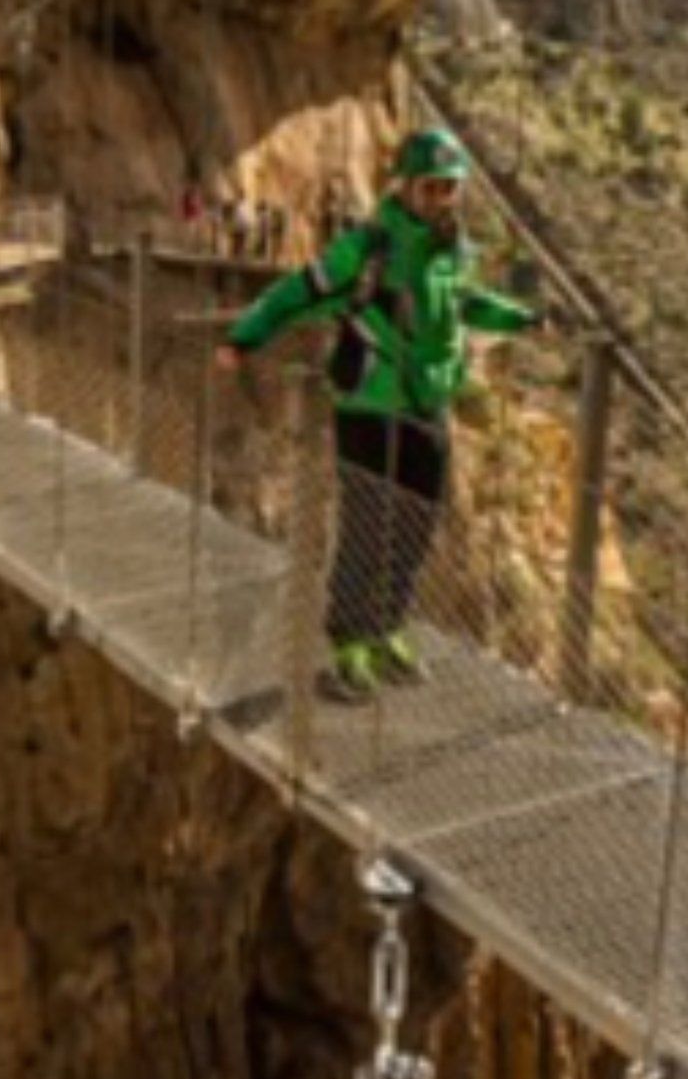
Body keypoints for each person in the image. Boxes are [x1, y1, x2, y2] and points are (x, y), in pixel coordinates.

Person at [218, 126, 539, 702]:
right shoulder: (366, 249)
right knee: (368, 525)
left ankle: (387, 627)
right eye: (431, 187)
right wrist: (244, 337)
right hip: (370, 404)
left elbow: (465, 305)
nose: (442, 198)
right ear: (406, 186)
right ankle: (349, 646)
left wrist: (520, 318)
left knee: (417, 525)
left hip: (426, 401)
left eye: (450, 188)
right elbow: (297, 291)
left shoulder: (451, 252)